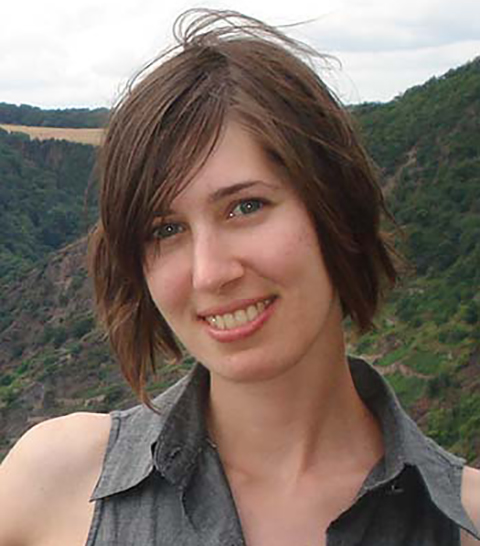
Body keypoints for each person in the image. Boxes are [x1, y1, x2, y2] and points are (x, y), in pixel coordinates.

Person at [0, 8, 479, 546]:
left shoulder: (463, 524)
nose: (211, 273)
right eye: (165, 229)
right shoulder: (56, 486)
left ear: (335, 209)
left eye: (246, 206)